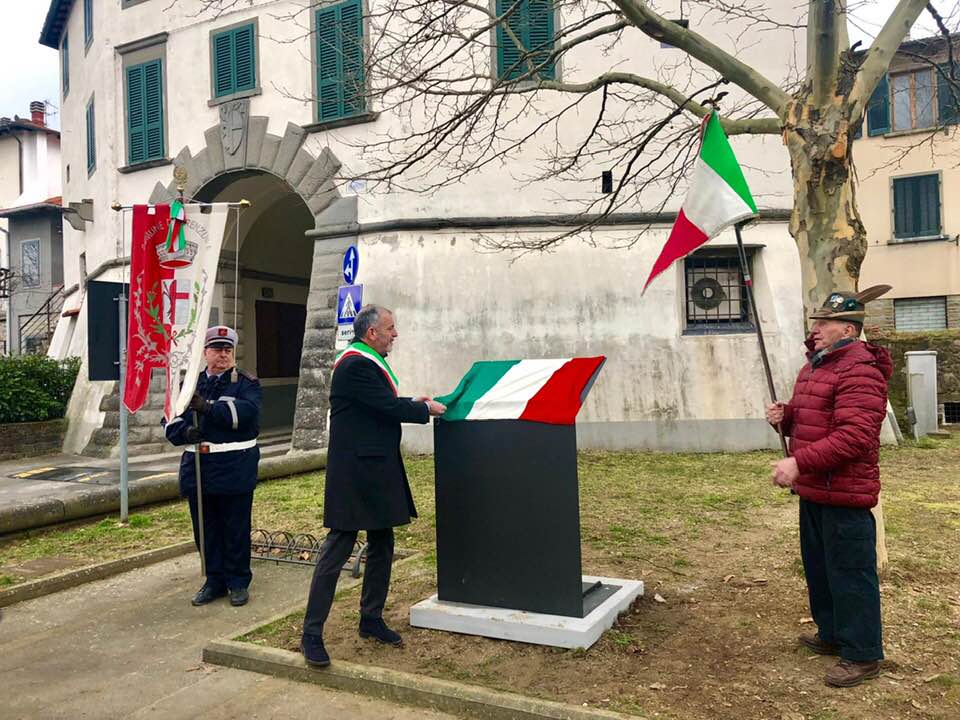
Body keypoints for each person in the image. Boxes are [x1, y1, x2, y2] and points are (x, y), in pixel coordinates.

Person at [301, 305, 445, 668]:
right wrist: (425, 410)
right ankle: (311, 634)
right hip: (355, 474)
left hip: (376, 469)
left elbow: (378, 406)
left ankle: (371, 619)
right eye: (390, 328)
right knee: (338, 548)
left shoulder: (366, 363)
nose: (395, 334)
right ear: (371, 333)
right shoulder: (355, 365)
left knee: (382, 544)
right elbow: (384, 407)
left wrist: (413, 402)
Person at [767, 285, 892, 688]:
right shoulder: (816, 367)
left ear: (849, 330)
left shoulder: (860, 371)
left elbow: (855, 436)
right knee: (820, 567)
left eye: (825, 323)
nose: (816, 329)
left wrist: (798, 462)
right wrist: (786, 417)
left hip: (845, 492)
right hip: (815, 490)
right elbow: (814, 419)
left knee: (851, 572)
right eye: (816, 322)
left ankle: (863, 653)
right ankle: (833, 633)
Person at [164, 325, 262, 608]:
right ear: (205, 352)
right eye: (217, 349)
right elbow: (170, 418)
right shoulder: (189, 384)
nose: (223, 355)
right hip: (199, 467)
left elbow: (247, 415)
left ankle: (237, 581)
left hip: (234, 467)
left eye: (228, 350)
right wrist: (185, 433)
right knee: (205, 529)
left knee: (235, 528)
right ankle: (214, 580)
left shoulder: (246, 383)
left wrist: (208, 408)